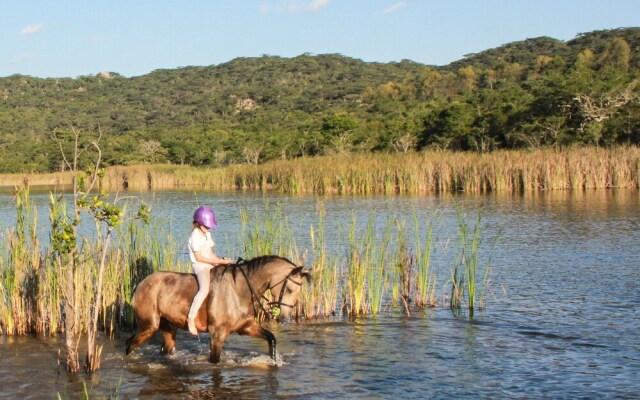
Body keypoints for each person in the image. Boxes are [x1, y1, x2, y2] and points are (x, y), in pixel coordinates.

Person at [187, 206, 232, 335]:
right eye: (207, 226)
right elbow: (199, 257)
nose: (209, 228)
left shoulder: (207, 234)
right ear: (199, 223)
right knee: (204, 289)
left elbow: (210, 253)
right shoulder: (195, 236)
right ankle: (191, 318)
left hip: (210, 263)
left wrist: (221, 261)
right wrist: (219, 262)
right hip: (200, 266)